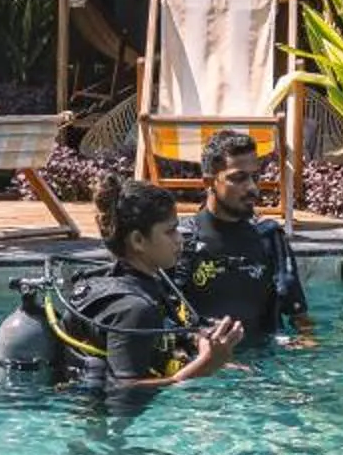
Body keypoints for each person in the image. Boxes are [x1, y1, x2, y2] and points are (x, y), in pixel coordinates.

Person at [44, 175, 245, 402]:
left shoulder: (128, 280)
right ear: (138, 241)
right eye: (170, 231)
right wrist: (206, 366)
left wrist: (200, 340)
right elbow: (124, 391)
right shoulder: (133, 308)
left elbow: (165, 335)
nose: (180, 240)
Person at [178, 129, 311, 343]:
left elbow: (301, 319)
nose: (252, 188)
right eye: (238, 178)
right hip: (206, 366)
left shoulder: (268, 238)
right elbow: (165, 321)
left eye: (255, 177)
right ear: (209, 182)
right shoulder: (182, 242)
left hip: (265, 365)